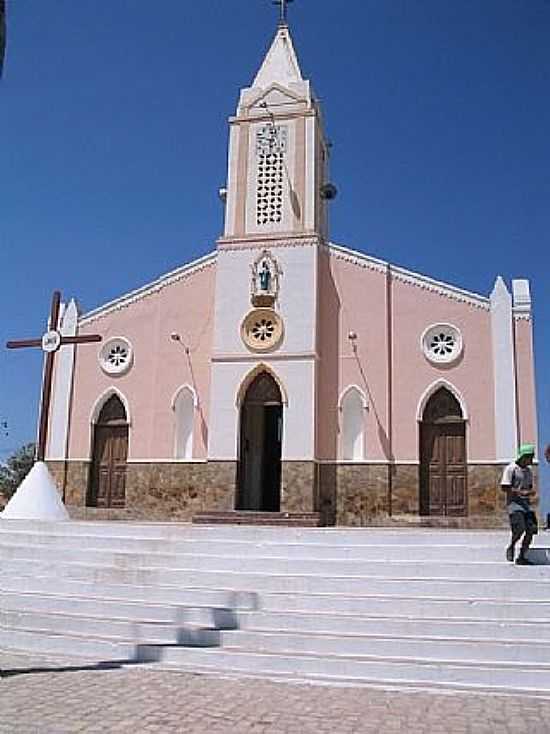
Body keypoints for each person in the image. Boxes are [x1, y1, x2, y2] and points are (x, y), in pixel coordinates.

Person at [501, 444, 537, 565]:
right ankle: (511, 545)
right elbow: (504, 487)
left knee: (531, 529)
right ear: (523, 457)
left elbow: (530, 487)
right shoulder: (511, 469)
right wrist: (519, 492)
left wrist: (530, 492)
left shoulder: (528, 471)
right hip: (514, 504)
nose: (531, 460)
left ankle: (522, 556)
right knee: (519, 528)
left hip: (526, 505)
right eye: (530, 457)